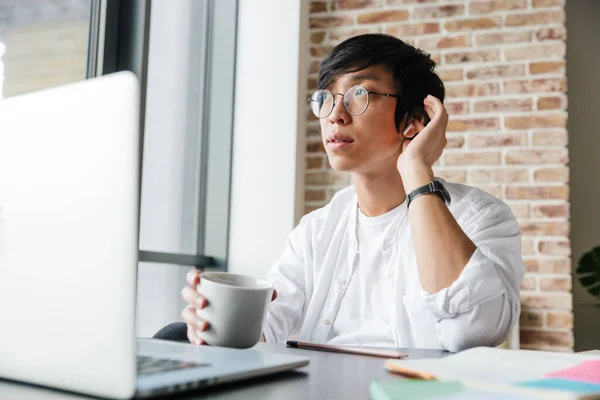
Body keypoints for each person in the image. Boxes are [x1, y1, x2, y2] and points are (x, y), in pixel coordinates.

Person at [180, 34, 525, 352]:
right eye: (326, 99)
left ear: (415, 119)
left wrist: (417, 170)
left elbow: (474, 330)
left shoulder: (479, 217)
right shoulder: (315, 232)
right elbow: (266, 330)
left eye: (359, 94)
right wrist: (214, 323)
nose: (335, 115)